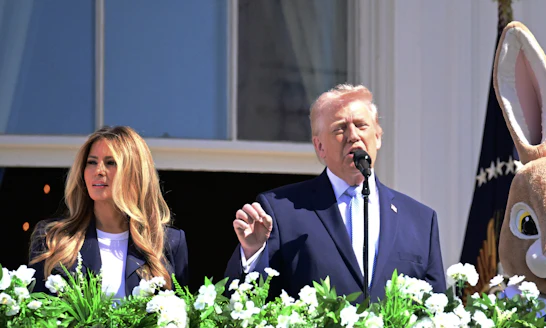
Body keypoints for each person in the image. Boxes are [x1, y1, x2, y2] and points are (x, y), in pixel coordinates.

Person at [225, 84, 445, 302]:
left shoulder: (421, 221)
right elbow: (243, 305)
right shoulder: (281, 211)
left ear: (378, 137)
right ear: (320, 147)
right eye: (340, 128)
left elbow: (436, 315)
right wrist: (253, 253)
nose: (353, 136)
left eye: (361, 125)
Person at [29, 126, 188, 297]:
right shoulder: (52, 238)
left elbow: (178, 317)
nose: (98, 171)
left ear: (134, 173)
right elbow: (38, 316)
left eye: (110, 163)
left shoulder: (168, 242)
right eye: (92, 162)